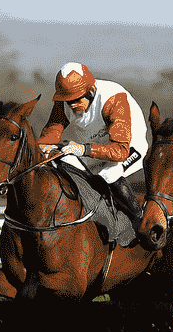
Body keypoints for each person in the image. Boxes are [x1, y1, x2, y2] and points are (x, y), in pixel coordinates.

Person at [38, 62, 148, 223]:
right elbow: (48, 137)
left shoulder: (113, 98)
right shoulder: (65, 101)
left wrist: (82, 149)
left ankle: (141, 224)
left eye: (76, 99)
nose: (72, 105)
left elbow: (120, 151)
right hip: (94, 149)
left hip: (129, 147)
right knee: (63, 164)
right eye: (68, 101)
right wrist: (44, 148)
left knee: (109, 175)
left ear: (91, 90)